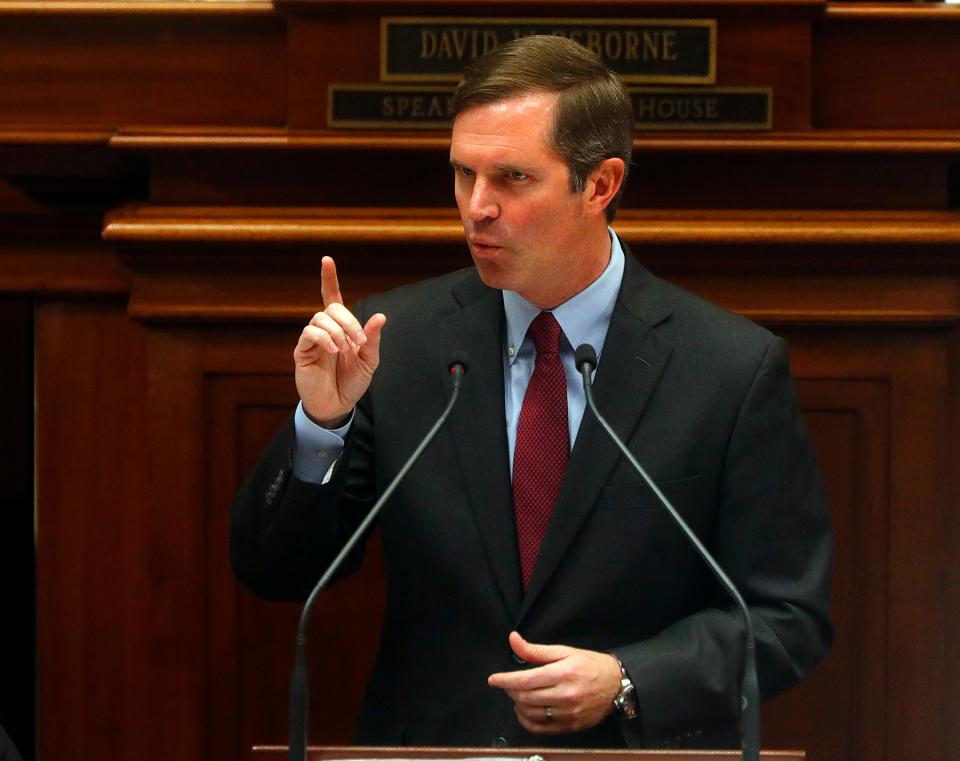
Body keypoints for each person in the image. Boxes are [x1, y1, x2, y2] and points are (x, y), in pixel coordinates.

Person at [230, 35, 832, 750]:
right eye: (463, 173)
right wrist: (321, 423)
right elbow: (274, 572)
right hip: (438, 746)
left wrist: (631, 679)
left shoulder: (729, 368)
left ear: (601, 185)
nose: (476, 207)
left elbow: (789, 614)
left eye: (513, 178)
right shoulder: (398, 343)